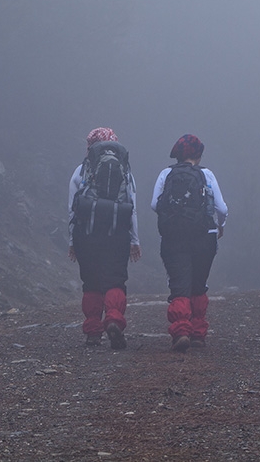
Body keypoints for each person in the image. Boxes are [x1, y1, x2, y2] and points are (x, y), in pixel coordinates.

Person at [152, 134, 228, 352]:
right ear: (199, 154)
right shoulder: (207, 174)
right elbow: (221, 208)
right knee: (198, 284)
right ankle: (197, 334)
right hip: (205, 236)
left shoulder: (166, 174)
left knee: (179, 286)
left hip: (173, 238)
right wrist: (220, 225)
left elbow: (154, 205)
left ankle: (181, 331)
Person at [68, 127, 142, 350]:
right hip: (116, 235)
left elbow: (72, 210)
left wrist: (72, 242)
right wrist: (134, 241)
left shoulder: (80, 172)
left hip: (86, 235)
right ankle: (113, 318)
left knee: (90, 283)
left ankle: (92, 332)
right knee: (115, 280)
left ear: (90, 146)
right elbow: (133, 209)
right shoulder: (125, 172)